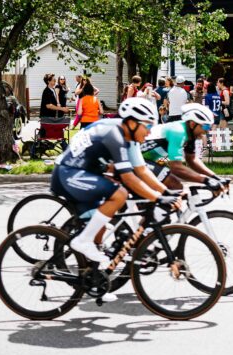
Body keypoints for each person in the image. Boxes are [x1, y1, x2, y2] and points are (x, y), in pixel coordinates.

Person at [52, 97, 175, 276]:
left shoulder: (129, 137)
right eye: (148, 126)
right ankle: (83, 240)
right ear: (132, 123)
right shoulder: (115, 135)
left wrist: (166, 192)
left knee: (100, 220)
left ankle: (93, 275)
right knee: (120, 194)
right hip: (68, 173)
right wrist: (158, 198)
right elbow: (129, 178)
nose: (149, 132)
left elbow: (141, 170)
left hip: (85, 171)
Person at [141, 103, 229, 195]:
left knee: (174, 190)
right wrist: (206, 180)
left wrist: (215, 177)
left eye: (209, 127)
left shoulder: (190, 134)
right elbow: (176, 168)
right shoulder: (178, 132)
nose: (207, 130)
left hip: (147, 160)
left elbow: (192, 160)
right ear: (192, 124)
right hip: (137, 160)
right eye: (206, 126)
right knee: (174, 185)